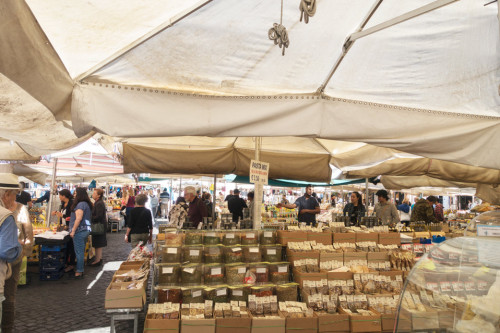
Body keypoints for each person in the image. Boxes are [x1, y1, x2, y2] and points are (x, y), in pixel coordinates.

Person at [0, 174, 30, 333]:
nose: (14, 198)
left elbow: (28, 235)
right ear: (6, 194)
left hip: (11, 264)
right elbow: (7, 250)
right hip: (7, 262)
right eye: (14, 195)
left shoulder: (19, 209)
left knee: (9, 297)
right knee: (7, 298)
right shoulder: (6, 216)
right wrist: (18, 248)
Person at [69, 187, 92, 278]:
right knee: (80, 251)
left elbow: (78, 218)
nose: (74, 195)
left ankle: (79, 271)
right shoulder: (86, 204)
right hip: (85, 230)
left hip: (79, 230)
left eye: (75, 193)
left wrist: (73, 230)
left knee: (79, 252)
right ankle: (80, 268)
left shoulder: (80, 205)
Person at [51, 189, 77, 273]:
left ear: (64, 196)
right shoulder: (62, 204)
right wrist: (56, 212)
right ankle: (65, 262)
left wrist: (62, 215)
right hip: (64, 227)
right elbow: (62, 213)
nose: (59, 197)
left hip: (70, 226)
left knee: (71, 246)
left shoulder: (72, 203)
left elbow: (71, 216)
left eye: (60, 195)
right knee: (66, 245)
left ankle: (71, 264)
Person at [90, 188, 107, 266]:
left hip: (99, 226)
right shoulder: (98, 202)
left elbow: (99, 216)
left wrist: (91, 218)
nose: (92, 195)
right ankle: (98, 259)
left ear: (98, 195)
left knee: (98, 243)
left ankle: (97, 260)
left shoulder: (99, 203)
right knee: (98, 243)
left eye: (94, 193)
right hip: (99, 225)